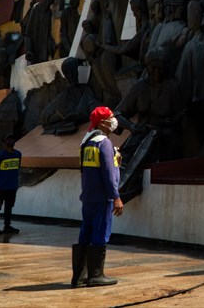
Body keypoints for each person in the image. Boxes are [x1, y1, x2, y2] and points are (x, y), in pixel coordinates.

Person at [73, 106, 124, 288]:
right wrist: (115, 197)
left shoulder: (87, 142)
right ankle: (96, 275)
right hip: (102, 198)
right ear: (102, 122)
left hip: (88, 197)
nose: (113, 120)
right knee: (101, 233)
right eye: (110, 117)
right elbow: (108, 175)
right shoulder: (104, 143)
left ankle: (79, 277)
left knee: (85, 233)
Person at [0, 135, 22, 235]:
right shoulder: (1, 155)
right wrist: (1, 179)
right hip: (2, 186)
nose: (10, 141)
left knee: (9, 206)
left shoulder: (18, 154)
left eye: (12, 139)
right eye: (8, 139)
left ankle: (7, 226)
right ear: (4, 142)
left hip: (13, 185)